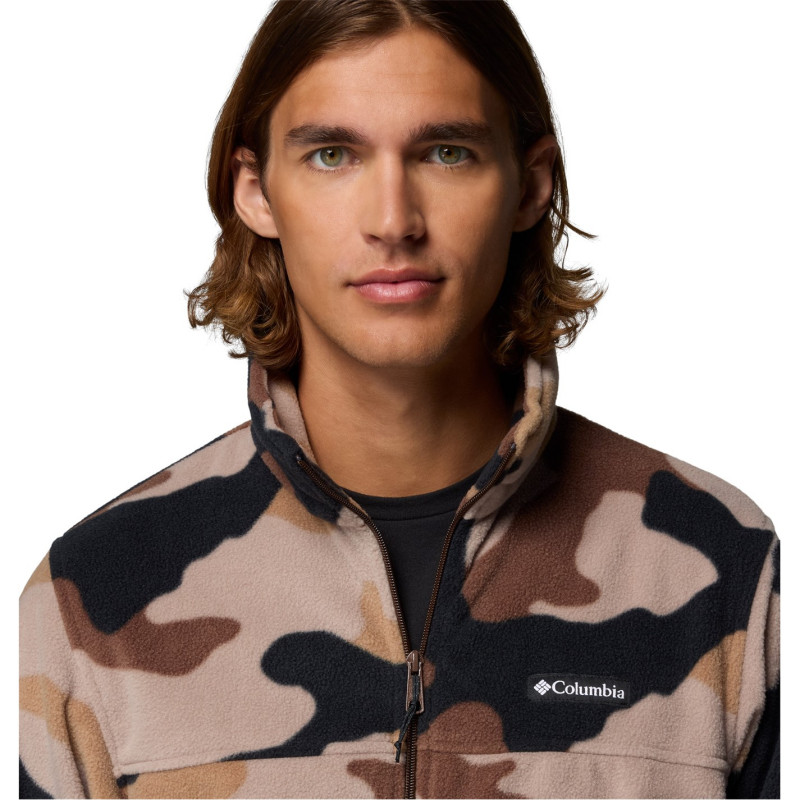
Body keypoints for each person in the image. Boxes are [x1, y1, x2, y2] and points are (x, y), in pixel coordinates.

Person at [19, 1, 779, 798]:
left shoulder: (730, 572)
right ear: (256, 191)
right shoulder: (89, 599)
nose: (393, 221)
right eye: (332, 155)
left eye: (447, 152)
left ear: (531, 185)